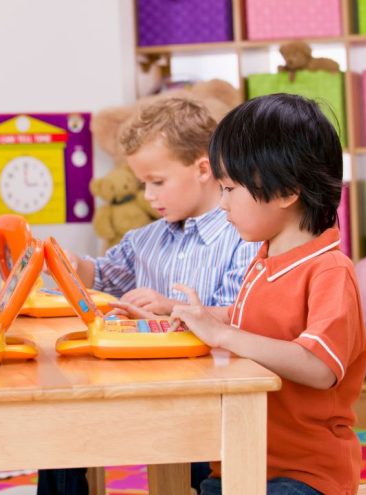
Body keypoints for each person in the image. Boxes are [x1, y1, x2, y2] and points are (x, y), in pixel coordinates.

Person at [39, 97, 259, 495]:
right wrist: (72, 264)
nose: (148, 195)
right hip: (141, 385)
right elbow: (102, 276)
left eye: (157, 182)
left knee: (207, 473)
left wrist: (172, 308)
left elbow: (240, 316)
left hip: (209, 397)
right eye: (143, 183)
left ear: (203, 169)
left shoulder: (241, 235)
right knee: (59, 423)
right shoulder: (145, 239)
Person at [168, 94, 366, 494]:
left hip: (304, 475)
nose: (222, 204)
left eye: (230, 189)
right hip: (244, 458)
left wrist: (224, 334)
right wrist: (205, 317)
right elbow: (258, 322)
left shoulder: (330, 270)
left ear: (285, 191)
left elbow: (319, 366)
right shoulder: (265, 261)